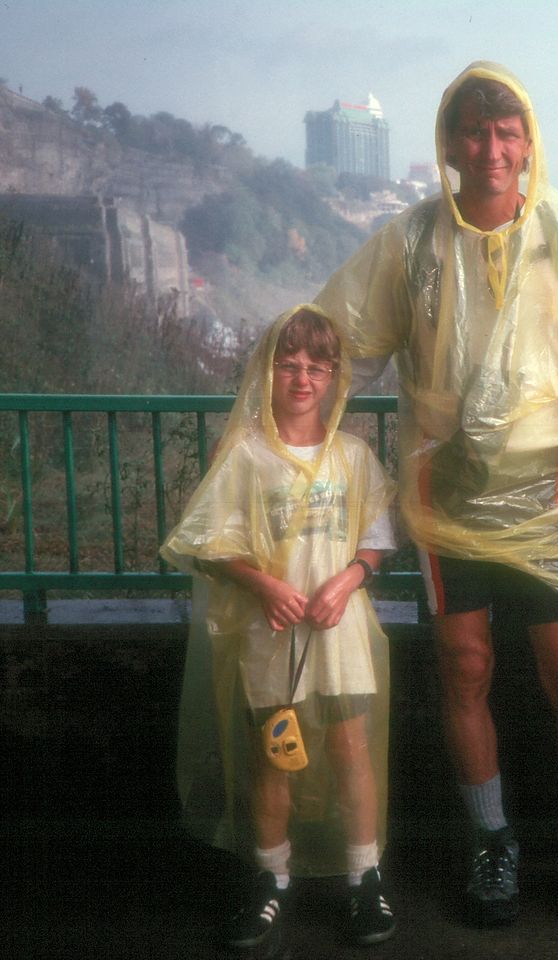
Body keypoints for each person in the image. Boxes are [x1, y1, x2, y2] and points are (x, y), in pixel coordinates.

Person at [312, 61, 558, 929]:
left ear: (528, 143)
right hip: (447, 497)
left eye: (506, 133)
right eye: (475, 130)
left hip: (547, 498)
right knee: (465, 668)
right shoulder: (414, 242)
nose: (491, 148)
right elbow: (343, 339)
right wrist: (285, 417)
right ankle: (492, 842)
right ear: (450, 142)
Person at [163, 305, 398, 952]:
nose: (302, 378)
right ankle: (271, 880)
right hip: (272, 633)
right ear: (267, 372)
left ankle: (363, 873)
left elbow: (377, 540)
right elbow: (208, 543)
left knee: (351, 748)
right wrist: (263, 584)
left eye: (317, 368)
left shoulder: (352, 455)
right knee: (275, 758)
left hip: (340, 627)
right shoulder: (242, 454)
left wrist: (347, 580)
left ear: (334, 377)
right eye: (288, 365)